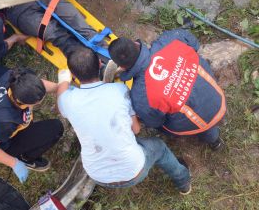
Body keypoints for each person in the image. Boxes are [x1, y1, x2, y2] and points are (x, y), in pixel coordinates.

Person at [56, 48, 191, 194]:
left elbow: (62, 91)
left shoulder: (67, 100)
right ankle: (183, 181)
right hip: (134, 171)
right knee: (159, 147)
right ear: (100, 64)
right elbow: (136, 130)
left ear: (74, 75)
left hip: (97, 175)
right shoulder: (119, 90)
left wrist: (63, 81)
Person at [108, 29, 226, 150]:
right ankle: (215, 140)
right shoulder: (170, 39)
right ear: (136, 43)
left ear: (121, 67)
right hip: (217, 97)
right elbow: (194, 44)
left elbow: (155, 122)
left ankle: (212, 138)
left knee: (154, 121)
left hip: (200, 122)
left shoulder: (140, 96)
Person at [0, 68, 65, 183]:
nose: (41, 100)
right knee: (55, 128)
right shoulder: (7, 123)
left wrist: (60, 88)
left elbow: (39, 84)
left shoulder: (17, 77)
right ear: (20, 101)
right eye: (38, 100)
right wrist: (14, 163)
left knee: (31, 124)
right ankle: (25, 157)